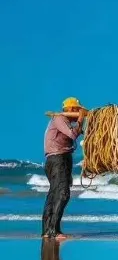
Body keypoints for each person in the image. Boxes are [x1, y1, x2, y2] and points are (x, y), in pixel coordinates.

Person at [41, 97, 87, 239]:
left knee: (54, 194)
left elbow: (78, 132)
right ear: (71, 109)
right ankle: (53, 231)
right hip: (57, 159)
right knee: (62, 194)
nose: (78, 112)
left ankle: (48, 231)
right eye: (78, 109)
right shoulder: (59, 118)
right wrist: (81, 118)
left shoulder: (64, 121)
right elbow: (73, 134)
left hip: (61, 159)